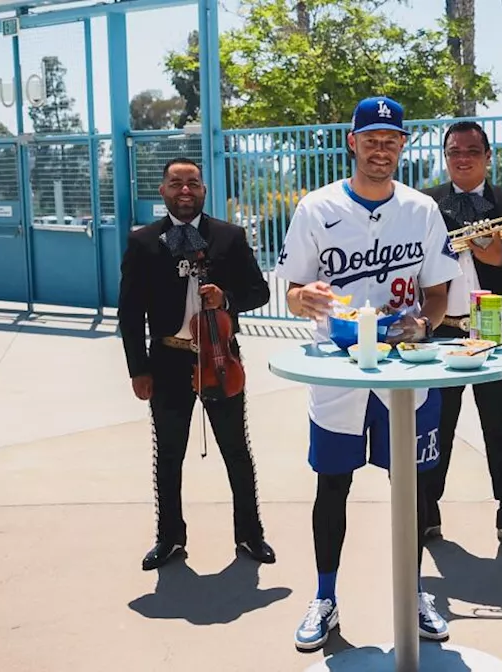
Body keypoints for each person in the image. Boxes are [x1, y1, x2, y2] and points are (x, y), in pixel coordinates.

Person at [275, 96, 461, 651]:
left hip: (406, 368)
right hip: (338, 367)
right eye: (372, 139)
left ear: (403, 145)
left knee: (414, 488)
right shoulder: (316, 206)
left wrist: (423, 326)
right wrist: (302, 296)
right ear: (352, 142)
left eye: (392, 140)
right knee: (333, 484)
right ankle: (325, 597)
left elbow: (436, 294)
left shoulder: (422, 209)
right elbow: (290, 290)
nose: (382, 149)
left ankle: (414, 592)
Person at [118, 157, 276, 571]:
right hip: (168, 359)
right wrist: (138, 369)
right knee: (168, 454)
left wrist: (225, 298)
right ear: (163, 190)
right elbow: (130, 313)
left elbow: (260, 291)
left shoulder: (229, 236)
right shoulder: (143, 241)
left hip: (220, 358)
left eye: (193, 183)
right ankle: (169, 538)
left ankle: (250, 534)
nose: (184, 190)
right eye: (176, 183)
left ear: (204, 190)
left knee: (236, 450)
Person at [419, 121, 502, 554]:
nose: (463, 157)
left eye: (472, 150)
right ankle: (426, 512)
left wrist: (499, 255)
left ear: (488, 155)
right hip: (441, 333)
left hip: (494, 334)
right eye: (454, 150)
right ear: (446, 156)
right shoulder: (424, 205)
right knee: (436, 427)